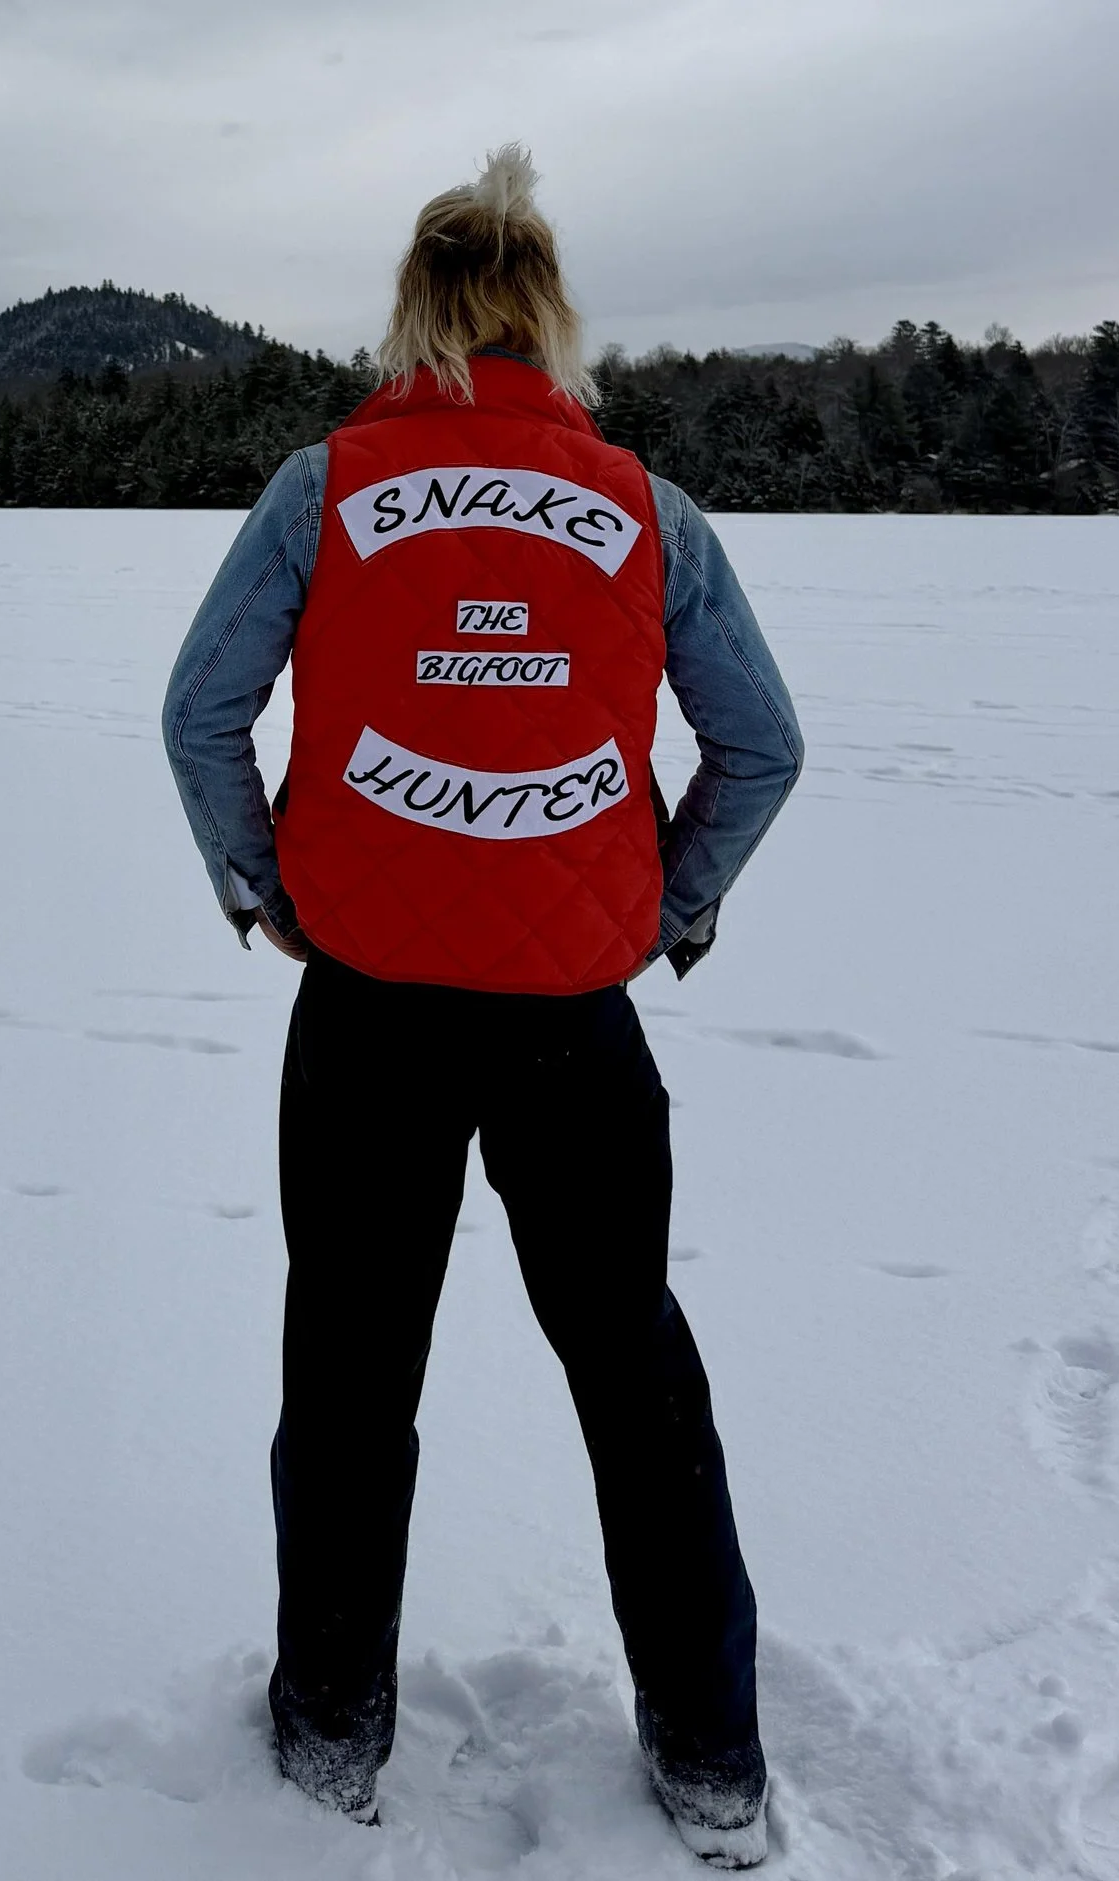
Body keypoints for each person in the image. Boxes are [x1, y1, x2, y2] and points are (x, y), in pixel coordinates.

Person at [158, 146, 804, 1869]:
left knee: (348, 1375)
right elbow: (762, 746)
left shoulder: (324, 485)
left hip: (368, 1014)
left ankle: (331, 1733)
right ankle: (713, 1758)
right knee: (635, 1375)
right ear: (548, 318)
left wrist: (267, 889)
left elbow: (199, 713)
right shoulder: (647, 509)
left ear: (415, 314)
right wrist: (659, 908)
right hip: (570, 1023)